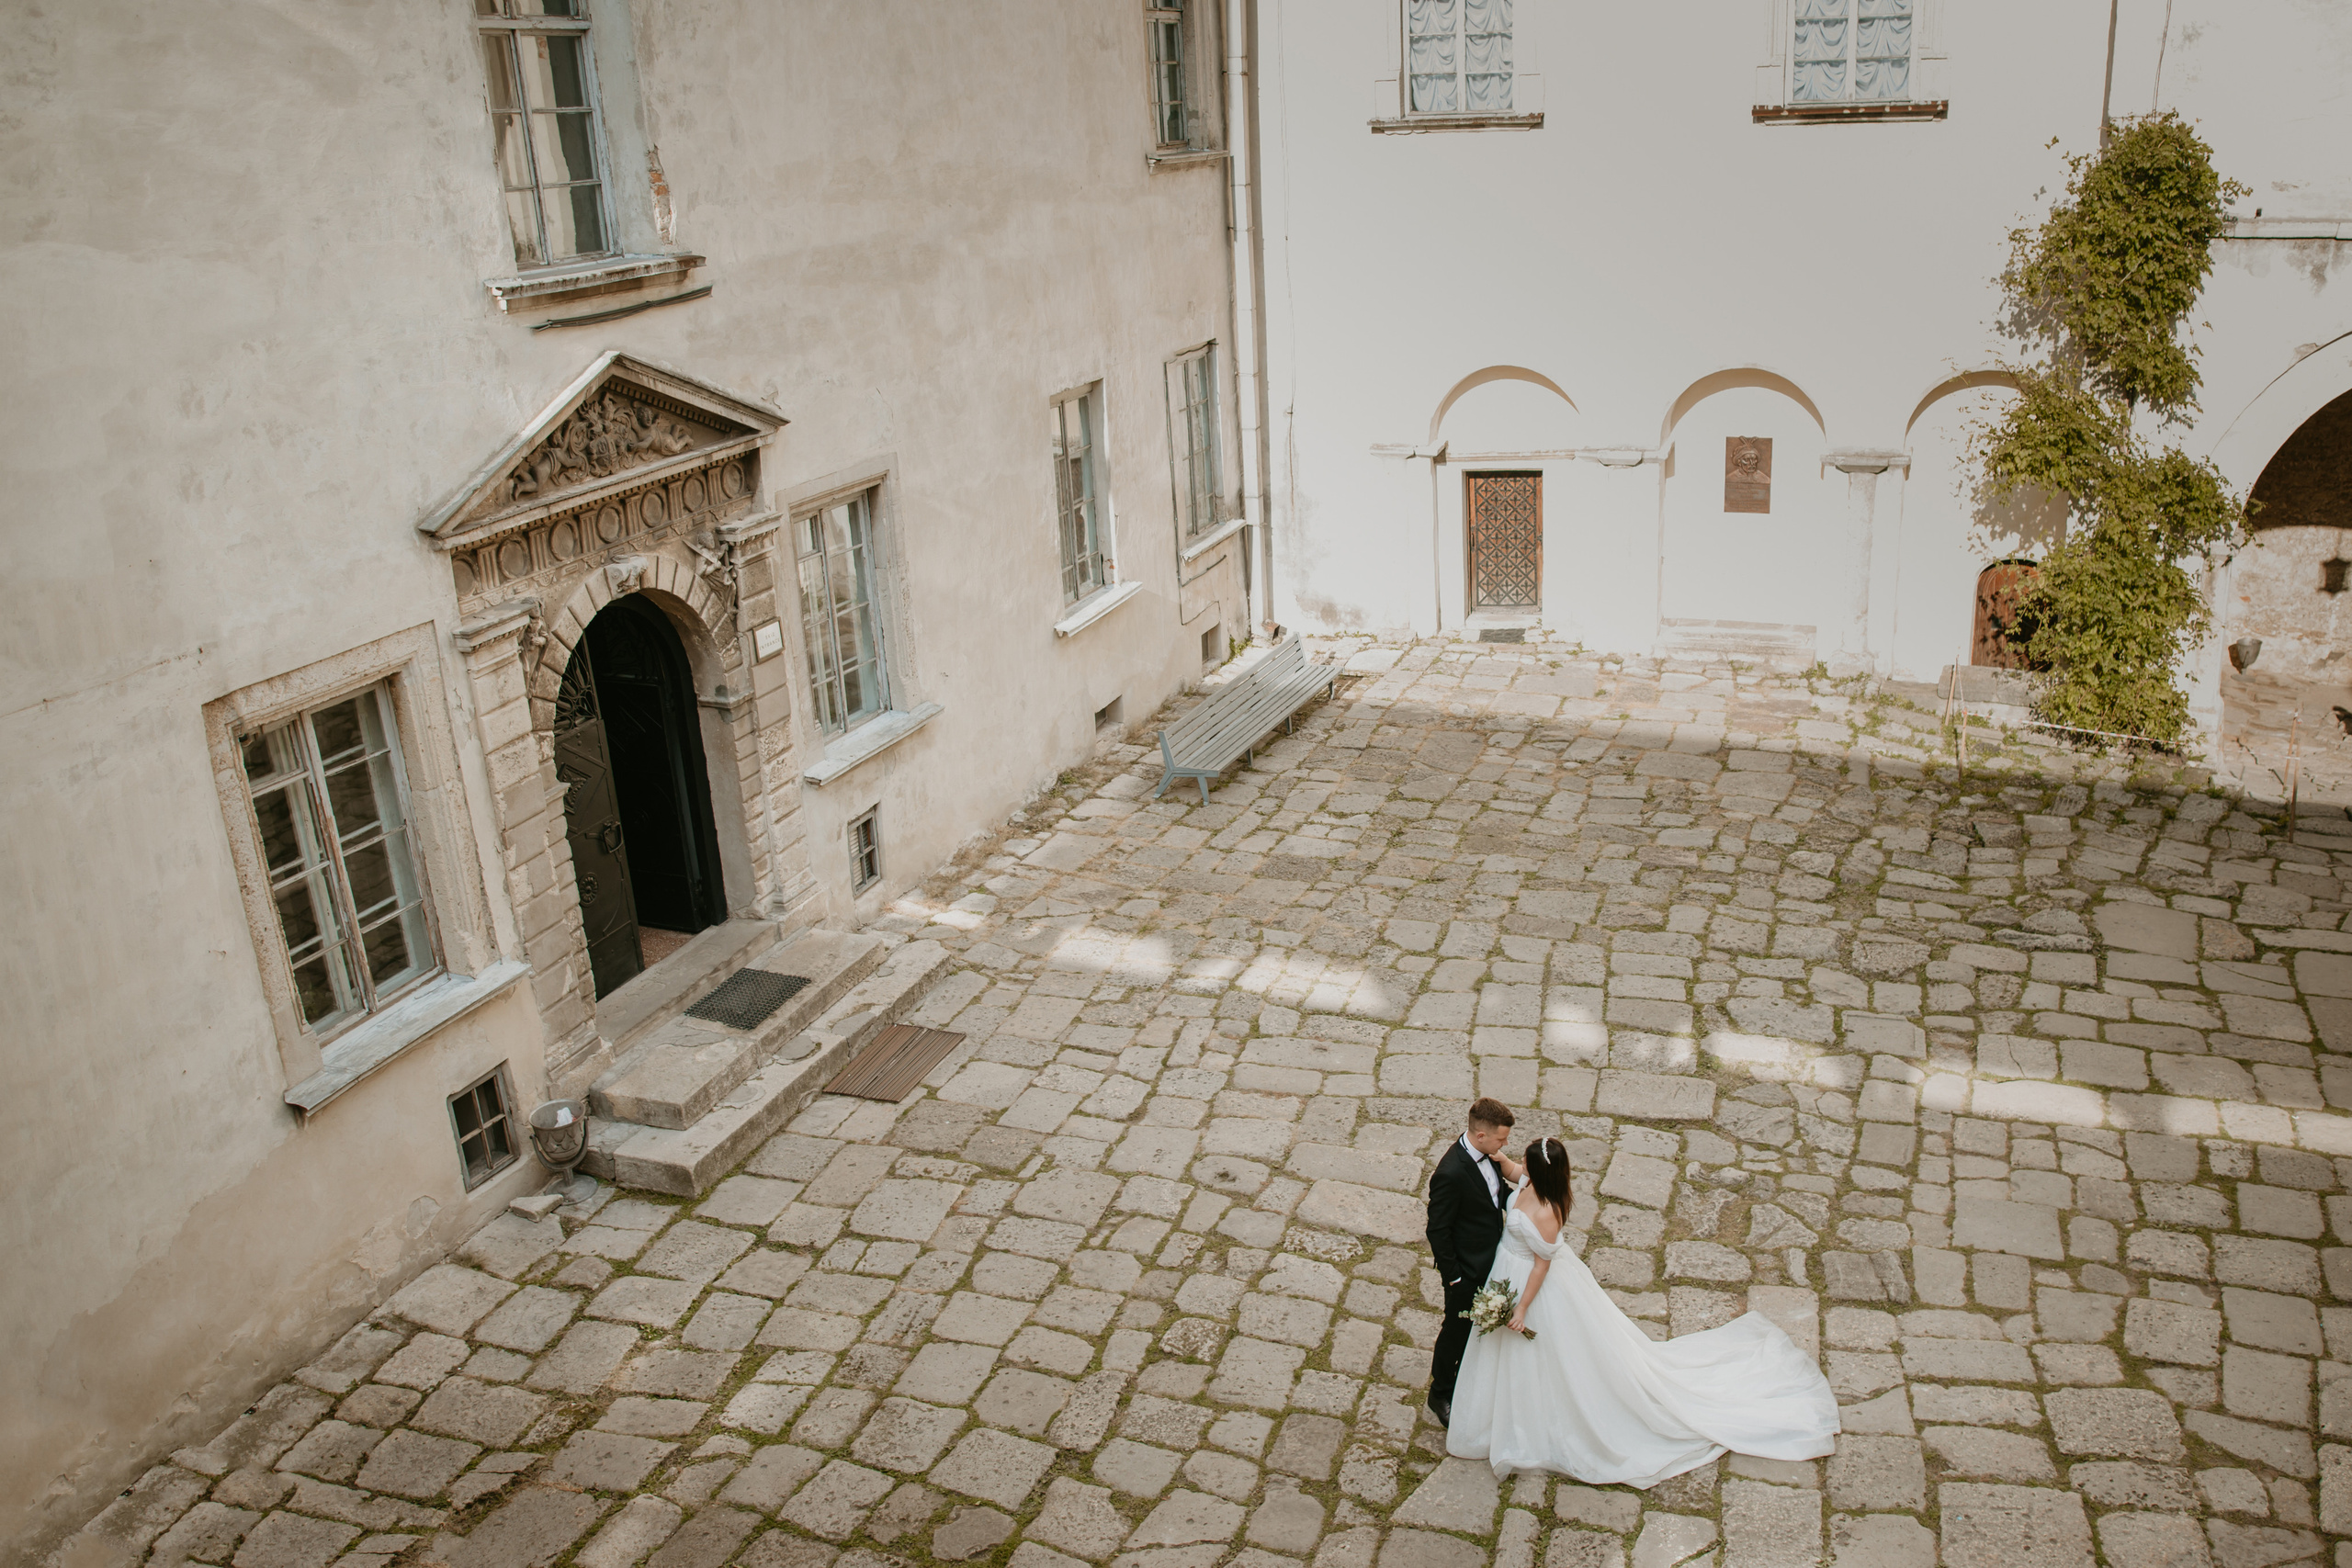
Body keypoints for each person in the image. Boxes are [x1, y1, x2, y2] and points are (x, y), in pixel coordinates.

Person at [1444, 1135, 1841, 1486]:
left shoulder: (1548, 1212)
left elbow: (1542, 1266)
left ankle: (1538, 1420)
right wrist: (1497, 1160)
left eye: (1527, 1162)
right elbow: (1515, 1172)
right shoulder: (1531, 1181)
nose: (1520, 1166)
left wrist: (1522, 1308)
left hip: (1533, 1284)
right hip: (1508, 1270)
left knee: (1550, 1353)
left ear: (1541, 1172)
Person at [1424, 1098, 1525, 1427]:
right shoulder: (1450, 1173)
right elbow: (1437, 1230)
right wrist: (1454, 1278)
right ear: (1481, 1136)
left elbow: (1495, 1195)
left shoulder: (1489, 1155)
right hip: (1465, 1270)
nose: (1505, 1144)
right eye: (1501, 1139)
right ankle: (1440, 1394)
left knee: (1472, 1331)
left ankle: (1469, 1383)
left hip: (1491, 1257)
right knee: (1454, 1330)